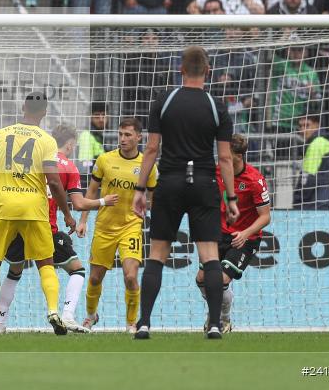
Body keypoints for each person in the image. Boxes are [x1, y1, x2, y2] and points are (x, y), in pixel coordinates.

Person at [132, 46, 238, 340]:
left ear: (181, 70)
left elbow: (151, 149)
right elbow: (225, 157)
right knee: (210, 255)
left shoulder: (164, 100)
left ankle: (144, 323)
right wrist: (231, 197)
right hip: (204, 183)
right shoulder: (217, 106)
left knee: (157, 254)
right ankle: (215, 324)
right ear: (208, 71)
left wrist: (140, 189)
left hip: (170, 182)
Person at [0, 123, 116, 334]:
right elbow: (79, 203)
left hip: (16, 221)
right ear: (70, 145)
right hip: (43, 226)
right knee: (76, 269)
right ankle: (66, 315)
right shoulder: (68, 167)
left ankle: (0, 324)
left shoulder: (35, 158)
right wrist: (103, 201)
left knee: (14, 271)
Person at [0, 92, 76, 335]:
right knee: (46, 263)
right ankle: (53, 311)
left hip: (4, 206)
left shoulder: (0, 135)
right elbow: (54, 181)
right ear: (44, 112)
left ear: (23, 107)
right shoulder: (47, 140)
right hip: (34, 209)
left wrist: (0, 185)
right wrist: (66, 213)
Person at [79, 117, 158, 333]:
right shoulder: (105, 160)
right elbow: (91, 191)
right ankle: (90, 315)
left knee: (131, 276)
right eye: (120, 134)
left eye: (128, 135)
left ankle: (131, 323)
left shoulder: (147, 166)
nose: (122, 139)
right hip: (104, 227)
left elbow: (153, 197)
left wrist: (149, 210)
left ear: (139, 137)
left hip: (131, 226)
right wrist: (83, 220)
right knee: (95, 278)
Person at [195, 134, 271, 333]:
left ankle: (222, 318)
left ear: (238, 156)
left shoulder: (255, 180)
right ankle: (217, 310)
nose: (221, 158)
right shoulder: (216, 171)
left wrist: (245, 233)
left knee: (220, 279)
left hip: (244, 239)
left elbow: (265, 217)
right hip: (217, 234)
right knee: (202, 279)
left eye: (226, 155)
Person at [294, 113, 329, 210]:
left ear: (317, 125)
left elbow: (308, 177)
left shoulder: (315, 144)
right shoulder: (324, 141)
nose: (302, 130)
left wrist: (297, 199)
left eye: (306, 125)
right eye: (300, 126)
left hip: (314, 205)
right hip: (324, 200)